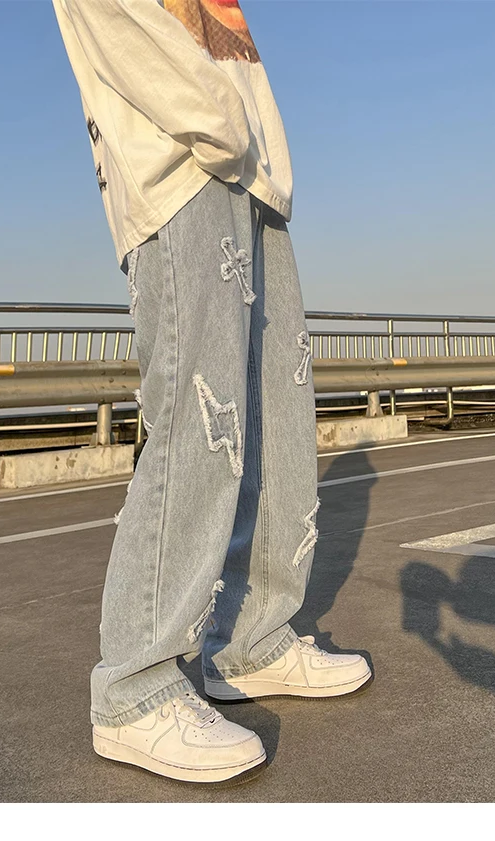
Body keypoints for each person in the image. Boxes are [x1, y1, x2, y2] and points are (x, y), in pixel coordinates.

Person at [52, 0, 373, 785]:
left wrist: (250, 147)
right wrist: (221, 125)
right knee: (198, 423)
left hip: (248, 175)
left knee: (273, 417)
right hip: (176, 169)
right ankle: (134, 686)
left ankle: (250, 638)